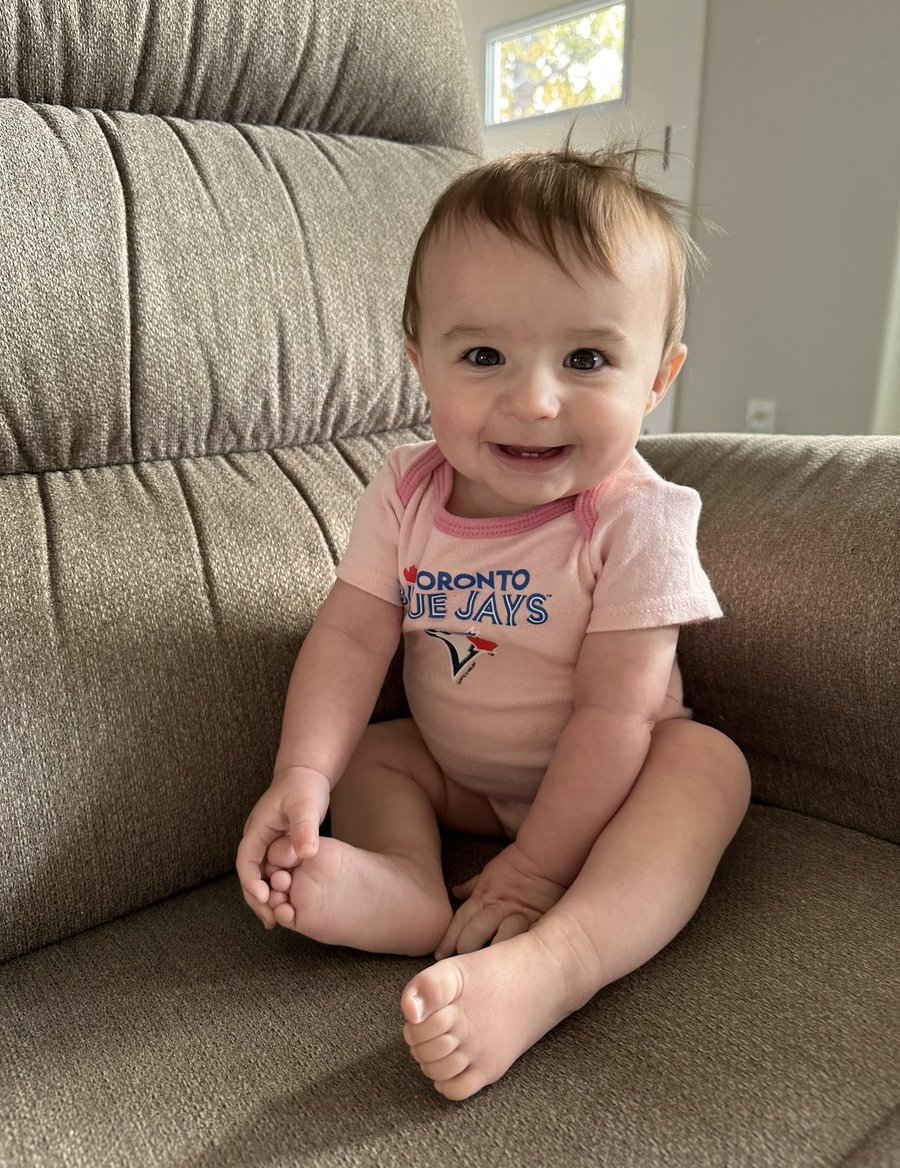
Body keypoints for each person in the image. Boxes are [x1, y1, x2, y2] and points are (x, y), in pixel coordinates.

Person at [236, 142, 751, 1102]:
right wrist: (300, 776)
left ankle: (561, 960)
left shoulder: (637, 518)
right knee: (372, 752)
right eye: (482, 356)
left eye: (587, 358)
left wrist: (532, 871)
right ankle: (403, 886)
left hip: (613, 785)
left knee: (707, 765)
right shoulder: (407, 490)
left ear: (658, 377)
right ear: (419, 364)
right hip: (461, 779)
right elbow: (351, 638)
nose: (534, 399)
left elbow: (617, 718)